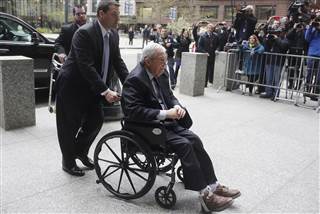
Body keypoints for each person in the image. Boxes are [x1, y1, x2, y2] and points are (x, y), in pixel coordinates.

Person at [121, 42, 240, 212]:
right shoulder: (134, 79)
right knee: (184, 145)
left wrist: (176, 107)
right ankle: (206, 195)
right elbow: (133, 111)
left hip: (167, 122)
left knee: (194, 140)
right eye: (161, 60)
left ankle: (214, 185)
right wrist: (164, 114)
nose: (165, 64)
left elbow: (170, 96)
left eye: (165, 59)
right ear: (147, 61)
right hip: (147, 127)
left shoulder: (161, 73)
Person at [55, 0, 129, 176]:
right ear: (101, 14)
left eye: (118, 14)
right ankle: (68, 161)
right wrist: (105, 91)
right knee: (69, 125)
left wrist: (133, 83)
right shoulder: (84, 33)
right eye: (114, 14)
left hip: (93, 86)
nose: (117, 17)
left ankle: (79, 151)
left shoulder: (114, 35)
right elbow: (86, 66)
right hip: (73, 85)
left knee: (96, 120)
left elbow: (117, 61)